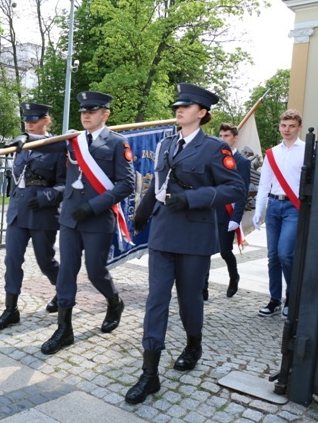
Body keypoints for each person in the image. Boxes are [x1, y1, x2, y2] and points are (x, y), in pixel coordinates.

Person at [125, 83, 246, 405]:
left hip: (195, 235)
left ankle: (194, 343)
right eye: (177, 105)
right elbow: (159, 185)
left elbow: (235, 188)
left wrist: (192, 198)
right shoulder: (165, 144)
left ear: (202, 113)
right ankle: (149, 372)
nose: (179, 110)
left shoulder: (214, 148)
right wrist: (142, 213)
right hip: (163, 233)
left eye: (187, 106)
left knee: (189, 299)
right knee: (157, 299)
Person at [36, 91, 135, 355]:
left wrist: (93, 207)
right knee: (67, 270)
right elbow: (43, 147)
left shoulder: (117, 143)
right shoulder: (72, 140)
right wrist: (26, 139)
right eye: (83, 111)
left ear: (105, 114)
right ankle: (64, 329)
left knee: (95, 272)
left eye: (92, 111)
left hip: (97, 219)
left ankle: (114, 302)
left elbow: (127, 184)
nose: (86, 115)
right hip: (69, 217)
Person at [0, 102, 66, 331]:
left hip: (42, 212)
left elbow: (66, 184)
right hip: (18, 210)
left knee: (46, 262)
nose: (30, 123)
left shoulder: (58, 146)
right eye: (27, 120)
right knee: (12, 260)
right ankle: (10, 310)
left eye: (35, 119)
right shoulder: (20, 144)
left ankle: (63, 292)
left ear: (46, 120)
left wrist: (46, 196)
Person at [253, 109, 304, 318]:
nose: (287, 129)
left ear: (299, 127)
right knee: (272, 256)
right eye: (284, 125)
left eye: (291, 126)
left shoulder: (307, 151)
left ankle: (292, 296)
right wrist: (259, 210)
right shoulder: (272, 153)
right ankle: (274, 299)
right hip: (274, 205)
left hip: (294, 207)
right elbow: (264, 184)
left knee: (285, 254)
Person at [201, 123, 250, 300]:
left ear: (235, 137)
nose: (222, 139)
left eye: (226, 136)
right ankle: (203, 287)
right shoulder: (213, 157)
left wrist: (236, 218)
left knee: (224, 251)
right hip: (211, 210)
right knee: (204, 250)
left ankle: (234, 277)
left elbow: (242, 191)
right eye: (220, 136)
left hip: (228, 213)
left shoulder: (242, 162)